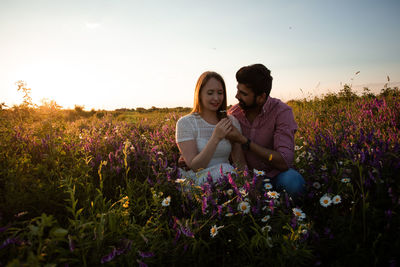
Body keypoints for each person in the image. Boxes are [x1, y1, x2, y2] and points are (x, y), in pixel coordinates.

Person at [226, 64, 305, 197]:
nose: (236, 96)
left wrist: (245, 142)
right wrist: (189, 157)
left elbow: (284, 162)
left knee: (294, 182)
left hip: (275, 177)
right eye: (238, 90)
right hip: (244, 178)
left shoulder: (282, 112)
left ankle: (290, 214)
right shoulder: (234, 114)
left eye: (243, 93)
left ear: (261, 97)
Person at [175, 71, 246, 185]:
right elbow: (195, 167)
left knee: (227, 171)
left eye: (220, 92)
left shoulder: (231, 121)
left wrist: (247, 186)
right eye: (210, 93)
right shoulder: (186, 123)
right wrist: (216, 138)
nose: (216, 98)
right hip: (197, 182)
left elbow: (239, 162)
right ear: (200, 94)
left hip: (226, 179)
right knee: (226, 169)